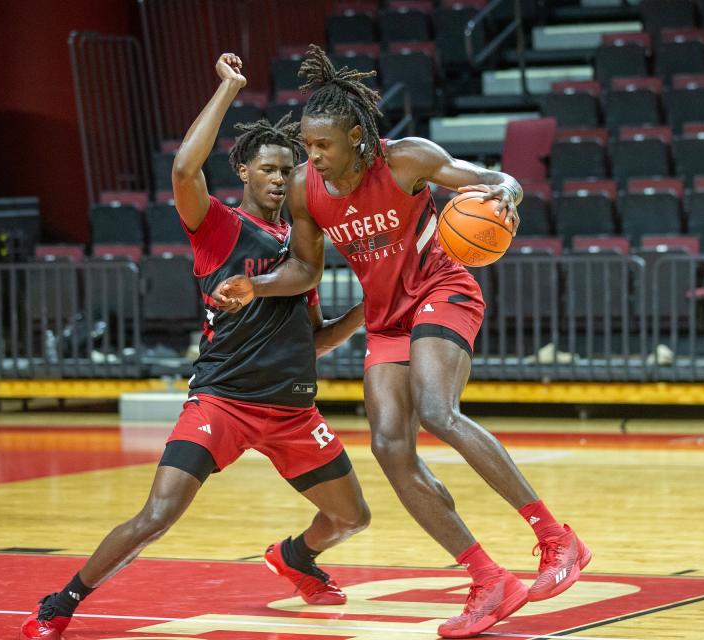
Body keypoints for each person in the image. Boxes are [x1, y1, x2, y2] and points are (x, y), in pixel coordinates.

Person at [212, 45, 591, 639]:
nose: (311, 158)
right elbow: (307, 271)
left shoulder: (409, 159)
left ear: (358, 138)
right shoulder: (307, 190)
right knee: (390, 448)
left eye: (323, 147)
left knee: (438, 411)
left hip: (443, 289)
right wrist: (255, 287)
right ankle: (489, 578)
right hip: (387, 318)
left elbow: (496, 179)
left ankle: (556, 538)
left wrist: (507, 194)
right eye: (307, 147)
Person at [20, 53, 370, 640]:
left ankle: (295, 557)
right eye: (268, 169)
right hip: (222, 404)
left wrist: (366, 311)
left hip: (291, 409)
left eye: (289, 168)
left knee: (351, 517)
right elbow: (185, 169)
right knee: (157, 516)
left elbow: (311, 338)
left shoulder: (303, 245)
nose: (281, 178)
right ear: (245, 173)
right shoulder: (219, 227)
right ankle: (60, 602)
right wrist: (228, 89)